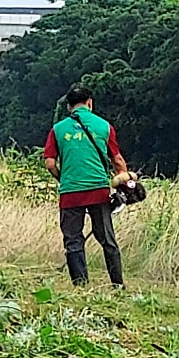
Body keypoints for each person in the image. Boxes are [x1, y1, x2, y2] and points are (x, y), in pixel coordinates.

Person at [44, 85, 130, 287]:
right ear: (90, 103)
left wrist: (63, 179)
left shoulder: (57, 129)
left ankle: (81, 286)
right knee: (107, 239)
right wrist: (124, 183)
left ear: (68, 107)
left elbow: (49, 163)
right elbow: (117, 160)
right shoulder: (104, 126)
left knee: (73, 240)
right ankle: (117, 284)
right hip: (98, 191)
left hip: (70, 193)